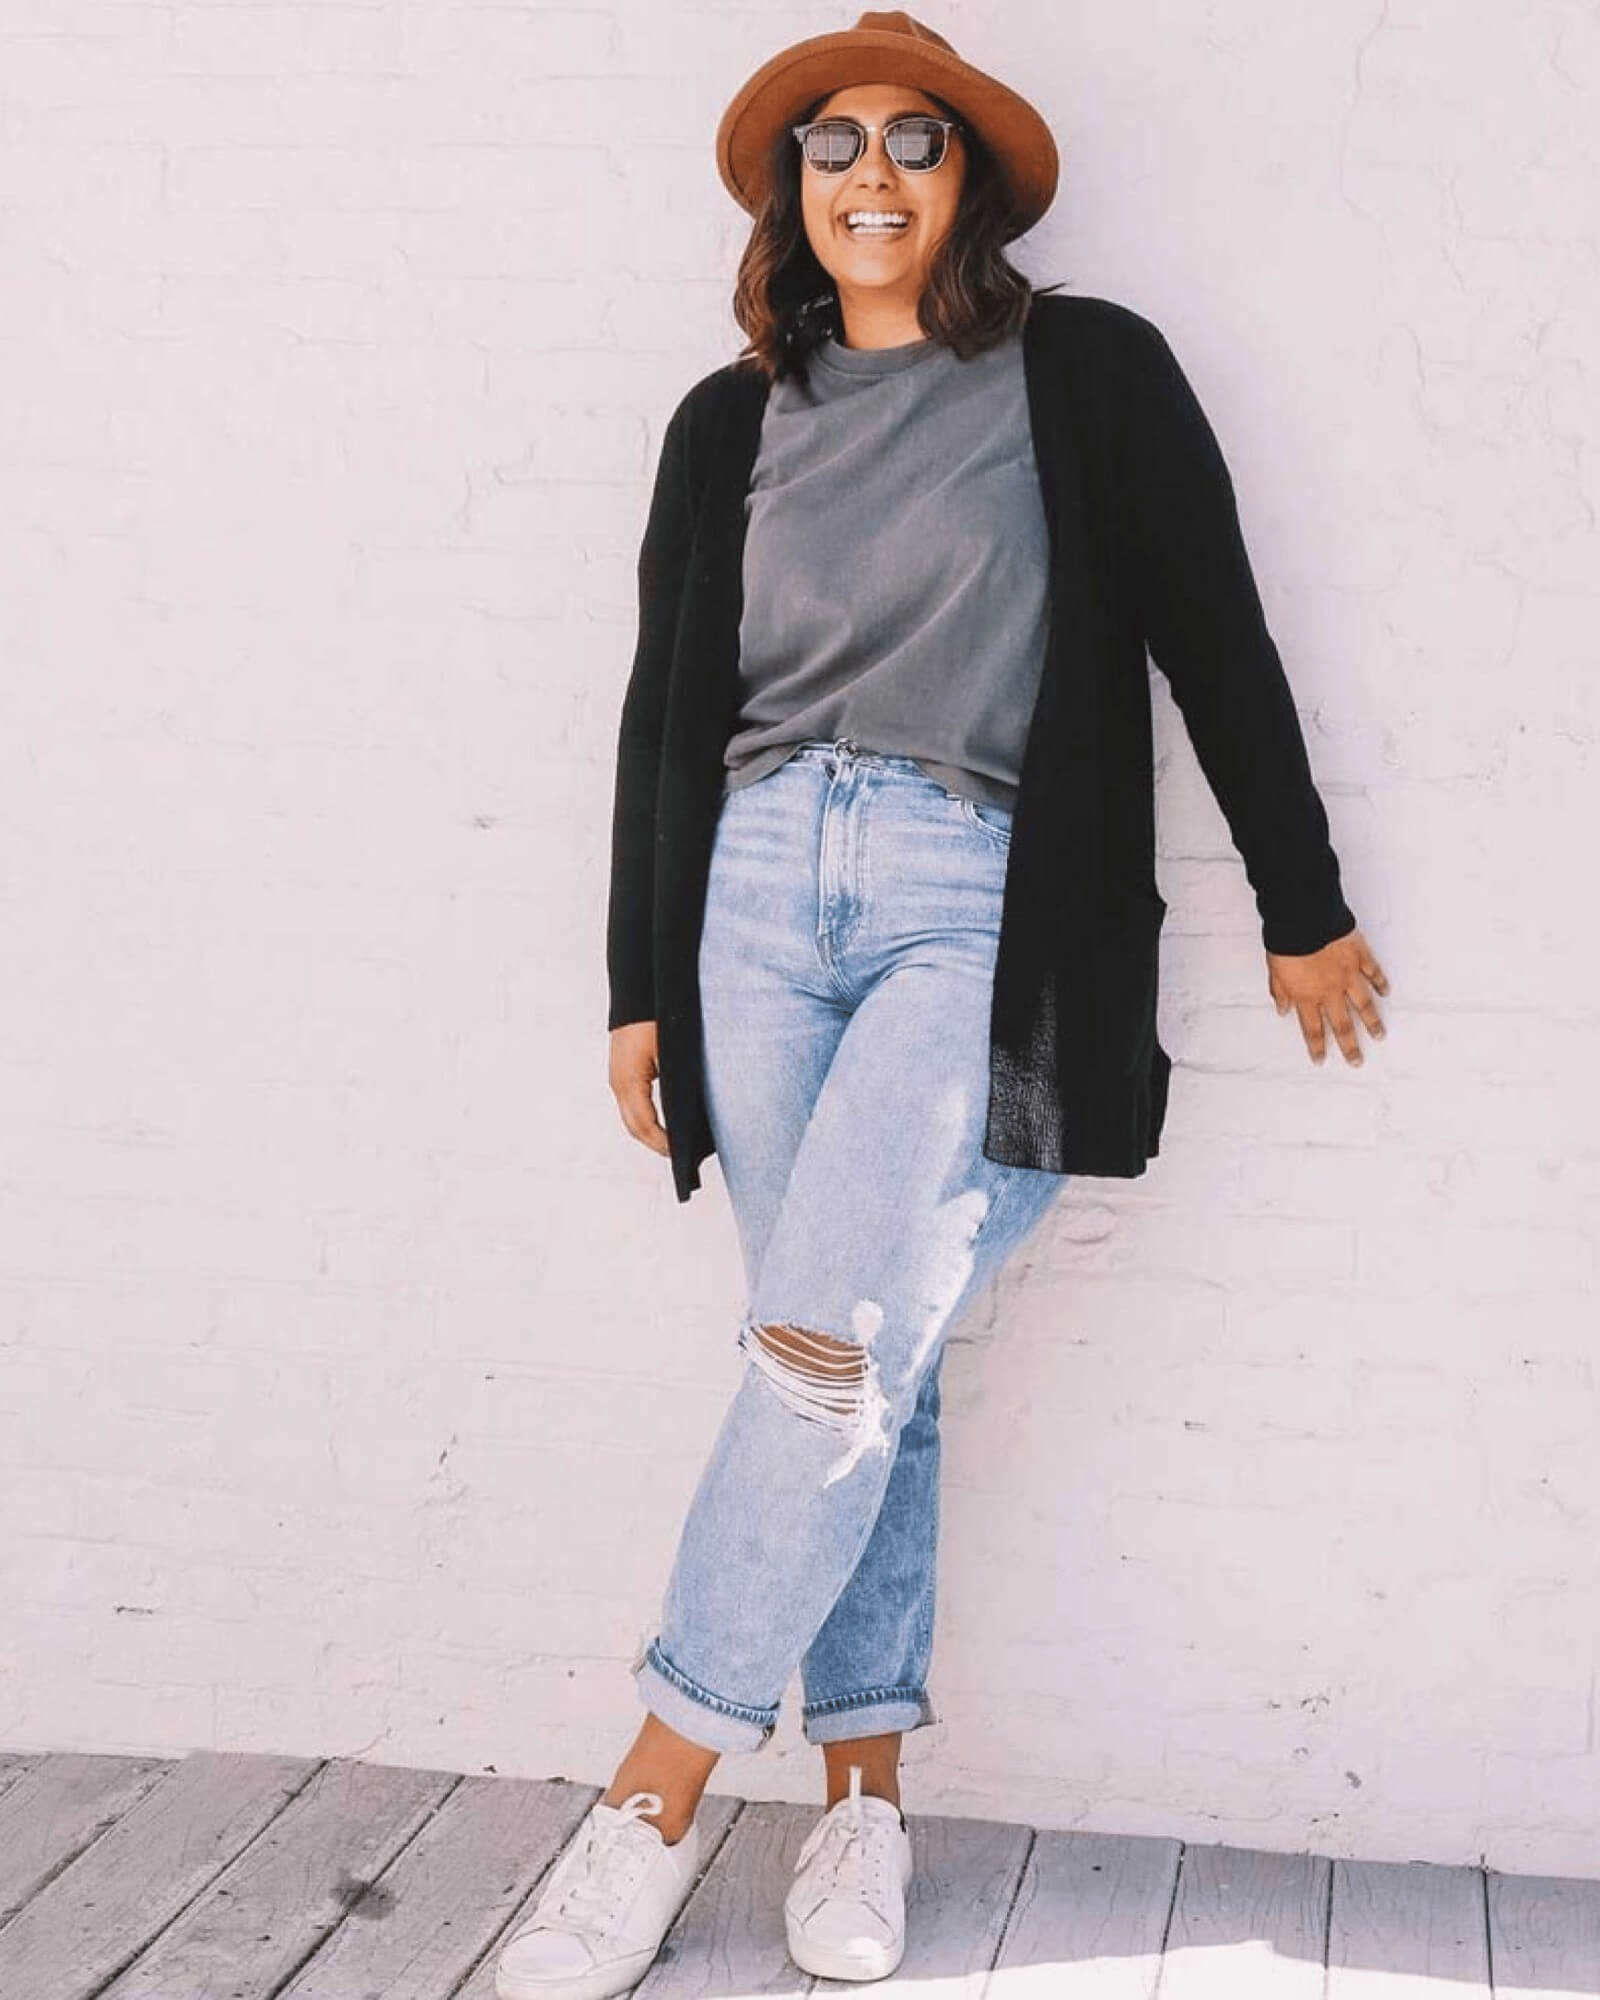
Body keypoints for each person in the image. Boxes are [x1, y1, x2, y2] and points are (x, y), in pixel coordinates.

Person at [496, 11, 1390, 1999]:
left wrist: (1301, 903)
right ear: (789, 191)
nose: (872, 176)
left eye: (913, 141)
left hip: (967, 898)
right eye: (832, 146)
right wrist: (641, 982)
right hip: (746, 908)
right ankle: (863, 1801)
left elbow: (1207, 634)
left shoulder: (1085, 375)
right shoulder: (724, 422)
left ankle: (644, 1800)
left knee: (817, 1348)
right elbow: (667, 711)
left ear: (965, 180)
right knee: (858, 1366)